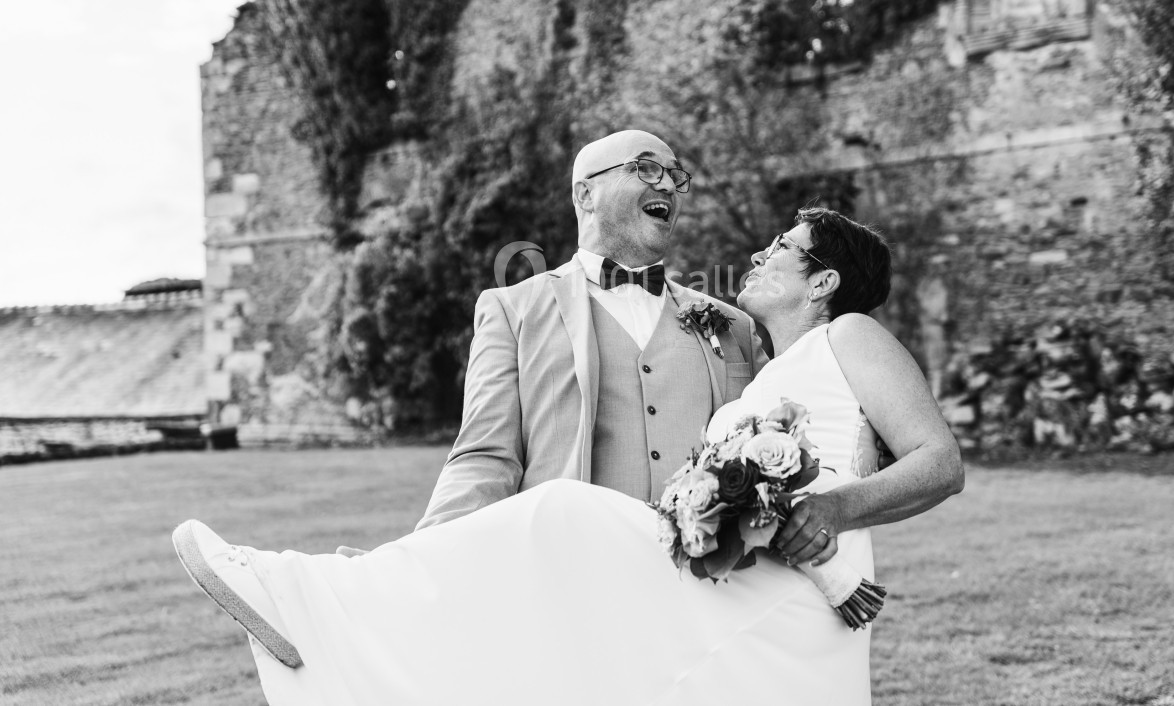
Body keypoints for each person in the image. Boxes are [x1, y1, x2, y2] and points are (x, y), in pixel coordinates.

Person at [174, 198, 964, 705]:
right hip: (743, 577)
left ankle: (316, 589)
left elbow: (938, 461)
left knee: (557, 512)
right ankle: (364, 603)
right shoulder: (761, 364)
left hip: (804, 584)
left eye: (781, 248)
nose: (759, 255)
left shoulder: (852, 336)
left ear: (823, 283)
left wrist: (829, 505)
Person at [418, 129, 769, 530]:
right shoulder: (512, 312)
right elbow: (486, 458)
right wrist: (419, 558)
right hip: (571, 570)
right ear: (585, 195)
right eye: (647, 168)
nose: (669, 185)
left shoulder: (734, 325)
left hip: (705, 580)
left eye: (675, 175)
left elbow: (771, 442)